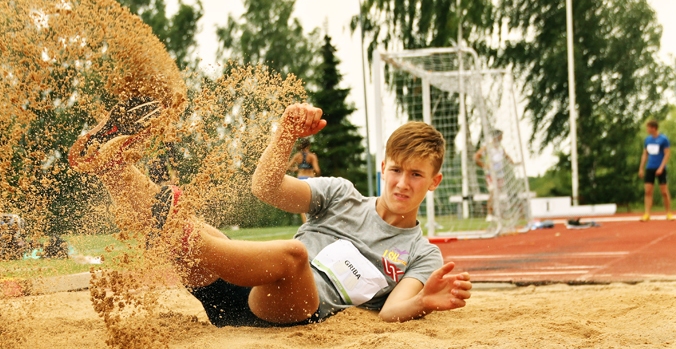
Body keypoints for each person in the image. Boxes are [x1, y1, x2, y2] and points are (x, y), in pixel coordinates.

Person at [69, 101, 472, 327]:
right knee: (204, 230)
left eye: (416, 175)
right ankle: (110, 167)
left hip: (285, 308)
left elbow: (390, 312)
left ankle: (179, 235)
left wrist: (428, 301)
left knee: (293, 256)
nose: (403, 183)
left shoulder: (422, 254)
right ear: (383, 167)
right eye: (397, 170)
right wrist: (285, 135)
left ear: (433, 182)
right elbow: (265, 188)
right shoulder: (340, 194)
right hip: (228, 284)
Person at [474, 129, 515, 220]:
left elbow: (506, 156)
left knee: (498, 194)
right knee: (493, 192)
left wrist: (514, 163)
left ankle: (497, 214)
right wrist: (485, 166)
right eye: (501, 136)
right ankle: (489, 214)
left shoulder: (500, 148)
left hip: (500, 174)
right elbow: (476, 157)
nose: (502, 138)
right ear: (496, 136)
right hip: (490, 174)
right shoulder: (487, 147)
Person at [638, 119, 672, 222]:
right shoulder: (647, 140)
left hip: (660, 168)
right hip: (650, 168)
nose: (647, 129)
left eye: (648, 127)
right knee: (648, 191)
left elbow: (667, 154)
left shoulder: (663, 139)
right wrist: (641, 168)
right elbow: (645, 154)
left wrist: (661, 167)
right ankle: (647, 214)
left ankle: (668, 213)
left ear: (653, 128)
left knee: (664, 192)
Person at [286, 138, 321, 223]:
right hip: (311, 179)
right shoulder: (312, 156)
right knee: (313, 202)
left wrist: (297, 169)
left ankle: (305, 224)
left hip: (301, 179)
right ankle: (315, 222)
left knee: (302, 203)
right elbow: (317, 170)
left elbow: (287, 167)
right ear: (309, 146)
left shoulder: (297, 156)